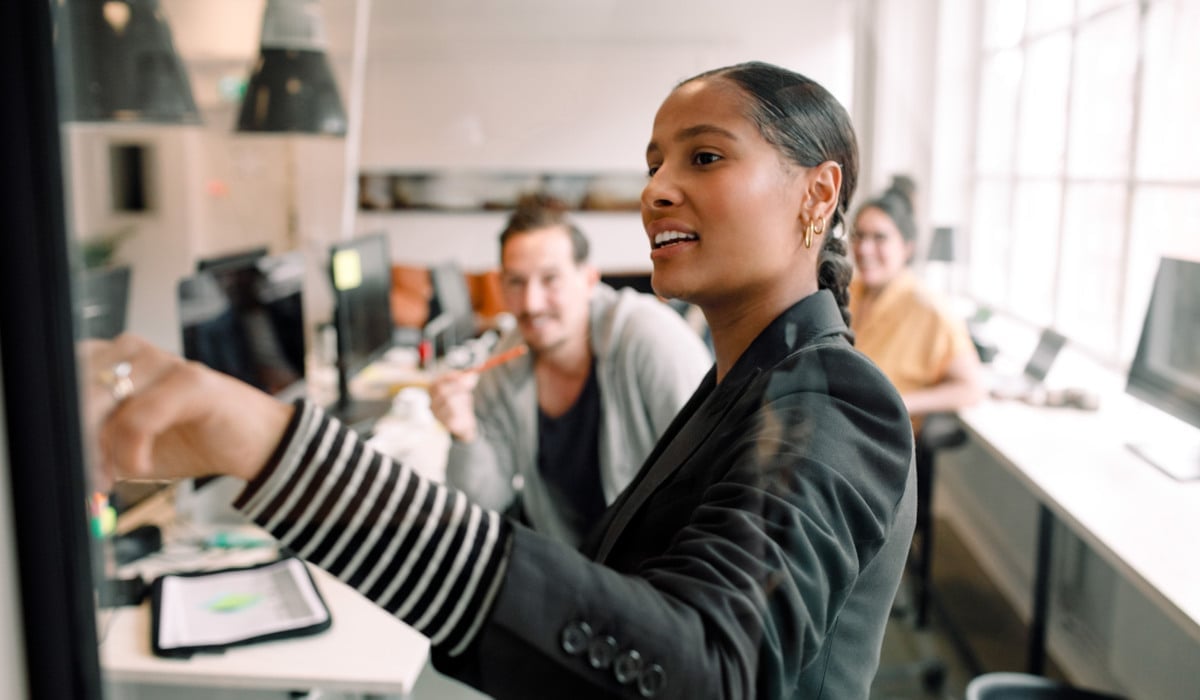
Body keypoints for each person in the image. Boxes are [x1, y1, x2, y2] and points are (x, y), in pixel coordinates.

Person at [84, 61, 916, 699]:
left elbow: (704, 670)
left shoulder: (838, 398)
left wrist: (276, 451)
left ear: (818, 194)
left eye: (704, 157)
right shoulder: (746, 385)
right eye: (654, 163)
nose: (657, 189)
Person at [429, 194, 711, 547]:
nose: (531, 303)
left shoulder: (651, 339)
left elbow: (711, 479)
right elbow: (481, 505)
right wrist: (464, 432)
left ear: (588, 279)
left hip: (657, 559)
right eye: (516, 282)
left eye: (550, 279)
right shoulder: (504, 364)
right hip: (568, 563)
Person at [848, 176, 984, 431]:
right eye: (859, 235)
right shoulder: (846, 290)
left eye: (880, 238)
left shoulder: (930, 310)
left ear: (907, 247)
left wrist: (900, 403)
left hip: (878, 439)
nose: (864, 248)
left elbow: (972, 388)